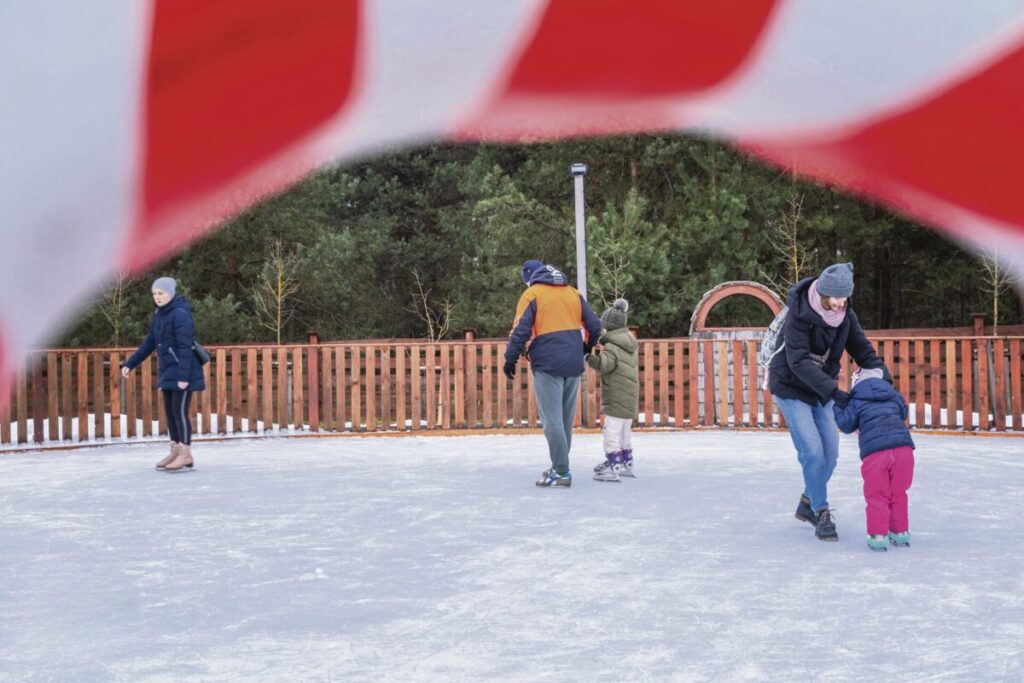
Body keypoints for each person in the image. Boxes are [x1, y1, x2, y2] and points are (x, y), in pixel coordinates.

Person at [768, 262, 884, 541]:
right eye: (836, 298)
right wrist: (835, 392)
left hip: (821, 389)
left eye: (845, 298)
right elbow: (797, 363)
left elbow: (863, 351)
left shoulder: (845, 314)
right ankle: (821, 512)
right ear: (822, 292)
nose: (840, 303)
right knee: (811, 451)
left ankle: (808, 501)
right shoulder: (798, 314)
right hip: (790, 386)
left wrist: (883, 383)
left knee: (830, 454)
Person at [504, 260, 602, 488]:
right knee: (565, 421)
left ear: (529, 278)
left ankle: (561, 471)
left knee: (551, 421)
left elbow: (520, 330)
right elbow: (594, 326)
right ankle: (559, 465)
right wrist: (585, 348)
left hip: (548, 362)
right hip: (573, 362)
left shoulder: (532, 294)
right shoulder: (573, 293)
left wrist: (511, 357)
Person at [122, 277, 206, 472]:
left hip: (183, 370)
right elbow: (150, 342)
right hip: (168, 370)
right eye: (154, 294)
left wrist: (184, 377)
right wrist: (131, 363)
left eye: (161, 293)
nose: (157, 297)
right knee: (170, 412)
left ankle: (185, 453)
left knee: (179, 411)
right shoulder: (160, 315)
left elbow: (186, 347)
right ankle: (176, 450)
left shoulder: (180, 313)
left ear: (171, 293)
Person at [833, 366, 915, 551]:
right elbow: (903, 412)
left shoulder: (856, 400)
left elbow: (846, 425)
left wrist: (837, 406)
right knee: (899, 493)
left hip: (876, 453)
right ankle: (900, 533)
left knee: (878, 495)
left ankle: (878, 536)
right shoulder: (893, 395)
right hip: (904, 449)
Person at [586, 298, 639, 483]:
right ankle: (626, 461)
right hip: (629, 393)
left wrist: (589, 356)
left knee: (612, 430)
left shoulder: (611, 346)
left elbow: (604, 365)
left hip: (616, 394)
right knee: (624, 429)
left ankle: (613, 463)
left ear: (608, 328)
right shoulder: (629, 344)